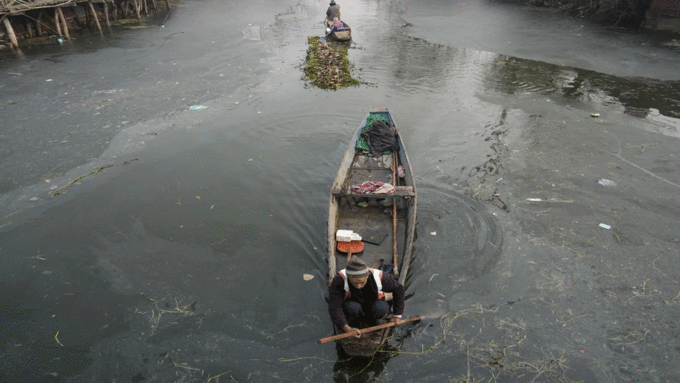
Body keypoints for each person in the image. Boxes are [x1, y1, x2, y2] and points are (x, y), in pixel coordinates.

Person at [328, 257, 405, 338]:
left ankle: (373, 319)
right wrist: (346, 327)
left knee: (381, 308)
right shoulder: (339, 280)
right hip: (352, 304)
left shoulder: (380, 277)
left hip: (374, 303)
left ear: (367, 276)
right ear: (348, 277)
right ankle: (354, 321)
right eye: (354, 283)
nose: (358, 286)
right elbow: (334, 306)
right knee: (352, 308)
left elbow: (399, 289)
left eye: (361, 282)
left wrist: (397, 315)